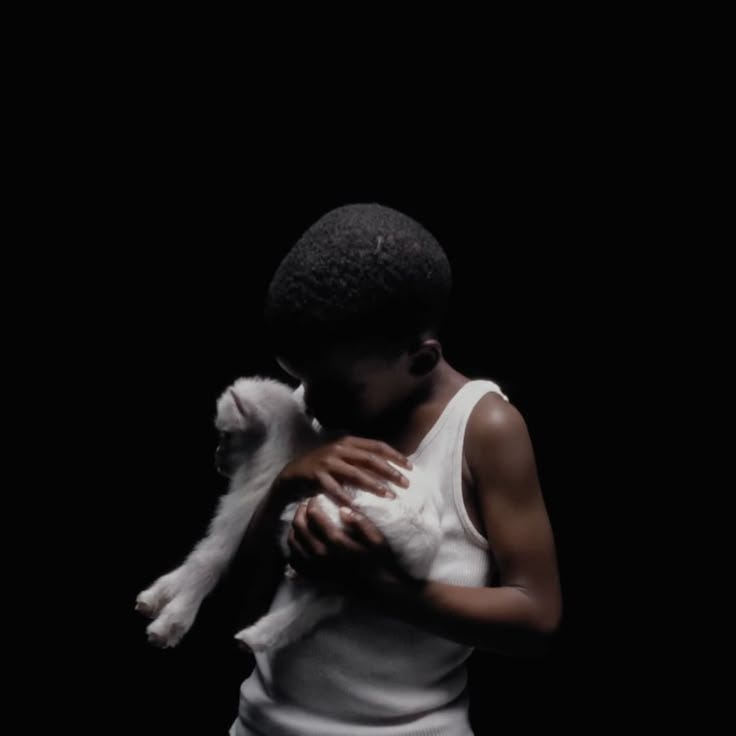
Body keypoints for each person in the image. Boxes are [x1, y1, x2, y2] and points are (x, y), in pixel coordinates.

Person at [229, 203, 562, 736]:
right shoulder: (316, 402)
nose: (311, 402)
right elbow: (240, 598)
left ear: (421, 360)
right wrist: (282, 486)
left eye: (335, 389)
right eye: (302, 379)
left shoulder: (484, 429)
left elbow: (536, 618)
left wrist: (380, 586)